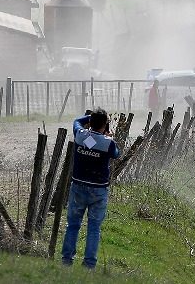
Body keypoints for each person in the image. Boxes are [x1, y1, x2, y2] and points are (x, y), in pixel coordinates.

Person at [62, 108, 121, 269]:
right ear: (105, 124)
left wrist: (90, 117)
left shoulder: (81, 136)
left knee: (73, 225)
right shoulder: (108, 143)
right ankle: (89, 265)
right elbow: (117, 154)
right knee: (94, 227)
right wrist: (108, 137)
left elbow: (77, 122)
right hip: (98, 191)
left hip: (78, 186)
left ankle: (66, 261)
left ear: (91, 122)